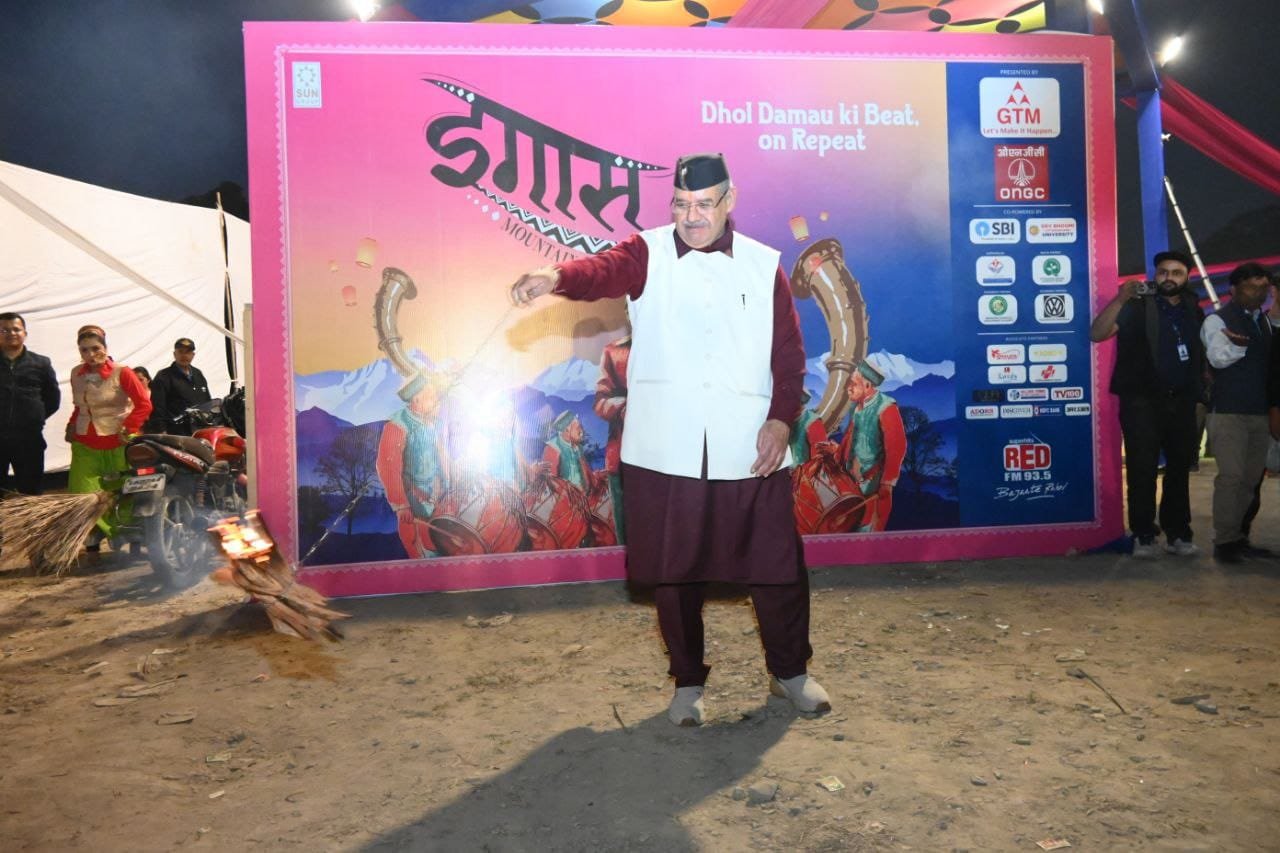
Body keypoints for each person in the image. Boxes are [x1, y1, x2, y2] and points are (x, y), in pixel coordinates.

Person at [509, 152, 829, 726]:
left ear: (729, 201)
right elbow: (600, 271)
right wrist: (556, 278)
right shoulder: (646, 253)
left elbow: (789, 356)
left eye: (704, 204)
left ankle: (791, 673)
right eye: (681, 204)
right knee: (674, 569)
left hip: (747, 446)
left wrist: (781, 420)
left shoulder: (764, 266)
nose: (692, 216)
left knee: (776, 565)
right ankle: (688, 682)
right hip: (666, 448)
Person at [1089, 250, 1206, 558]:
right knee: (1142, 470)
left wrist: (1200, 397)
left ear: (1187, 277)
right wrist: (1120, 299)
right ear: (1155, 274)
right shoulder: (1137, 305)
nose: (1169, 278)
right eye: (1163, 272)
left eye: (1176, 273)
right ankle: (1143, 535)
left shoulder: (1194, 308)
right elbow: (1097, 333)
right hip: (1141, 401)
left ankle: (1178, 533)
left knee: (1179, 470)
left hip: (1182, 401)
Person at [1200, 262, 1274, 564]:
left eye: (1263, 288)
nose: (1258, 293)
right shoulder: (1217, 320)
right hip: (1228, 412)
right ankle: (1224, 541)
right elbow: (1217, 359)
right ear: (1233, 289)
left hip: (1259, 412)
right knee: (1231, 477)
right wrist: (1238, 347)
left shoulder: (1263, 321)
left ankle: (1239, 536)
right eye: (1251, 287)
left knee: (1250, 479)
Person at [66, 325, 152, 548]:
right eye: (84, 350)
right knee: (82, 494)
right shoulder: (76, 373)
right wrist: (71, 425)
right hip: (85, 443)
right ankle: (97, 532)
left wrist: (129, 428)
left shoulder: (122, 372)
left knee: (121, 491)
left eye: (96, 348)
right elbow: (79, 406)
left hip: (118, 441)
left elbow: (144, 404)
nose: (90, 354)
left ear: (105, 347)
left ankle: (122, 532)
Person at [834, 361, 905, 533]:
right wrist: (836, 456)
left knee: (866, 534)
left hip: (873, 490)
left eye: (853, 384)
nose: (848, 388)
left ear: (867, 385)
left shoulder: (886, 408)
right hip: (851, 486)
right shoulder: (857, 407)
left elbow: (897, 447)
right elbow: (850, 437)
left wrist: (887, 483)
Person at [0, 312, 61, 495]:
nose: (11, 333)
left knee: (31, 491)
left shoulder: (41, 363)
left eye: (16, 329)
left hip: (29, 439)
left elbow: (53, 399)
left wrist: (35, 417)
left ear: (25, 333)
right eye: (4, 330)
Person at [593, 334, 631, 543]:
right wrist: (625, 406)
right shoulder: (613, 352)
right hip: (621, 458)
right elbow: (600, 403)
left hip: (672, 461)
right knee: (625, 537)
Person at [146, 337, 211, 435]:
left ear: (193, 355)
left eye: (188, 352)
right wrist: (161, 431)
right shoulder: (163, 376)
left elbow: (207, 401)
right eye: (180, 352)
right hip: (176, 433)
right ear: (174, 354)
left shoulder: (198, 374)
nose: (184, 355)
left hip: (200, 430)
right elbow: (157, 407)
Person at [541, 411, 592, 493]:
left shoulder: (578, 447)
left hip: (583, 495)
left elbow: (585, 471)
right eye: (578, 428)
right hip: (565, 497)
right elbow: (551, 483)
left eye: (581, 427)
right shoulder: (552, 448)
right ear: (567, 430)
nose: (582, 432)